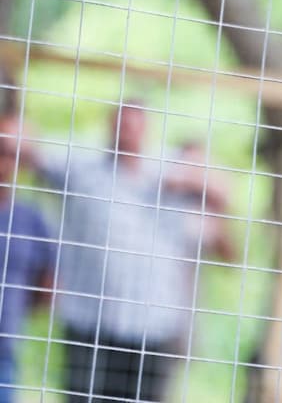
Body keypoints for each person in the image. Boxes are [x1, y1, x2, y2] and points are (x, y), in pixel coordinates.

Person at [24, 101, 232, 402]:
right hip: (89, 324)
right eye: (121, 123)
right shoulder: (82, 169)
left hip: (152, 330)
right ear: (110, 126)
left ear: (146, 129)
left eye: (135, 124)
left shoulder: (170, 175)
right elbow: (31, 152)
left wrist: (196, 179)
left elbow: (222, 203)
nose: (127, 132)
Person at [0, 116, 56, 402]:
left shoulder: (31, 219)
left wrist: (16, 308)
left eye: (10, 154)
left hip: (5, 350)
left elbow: (48, 287)